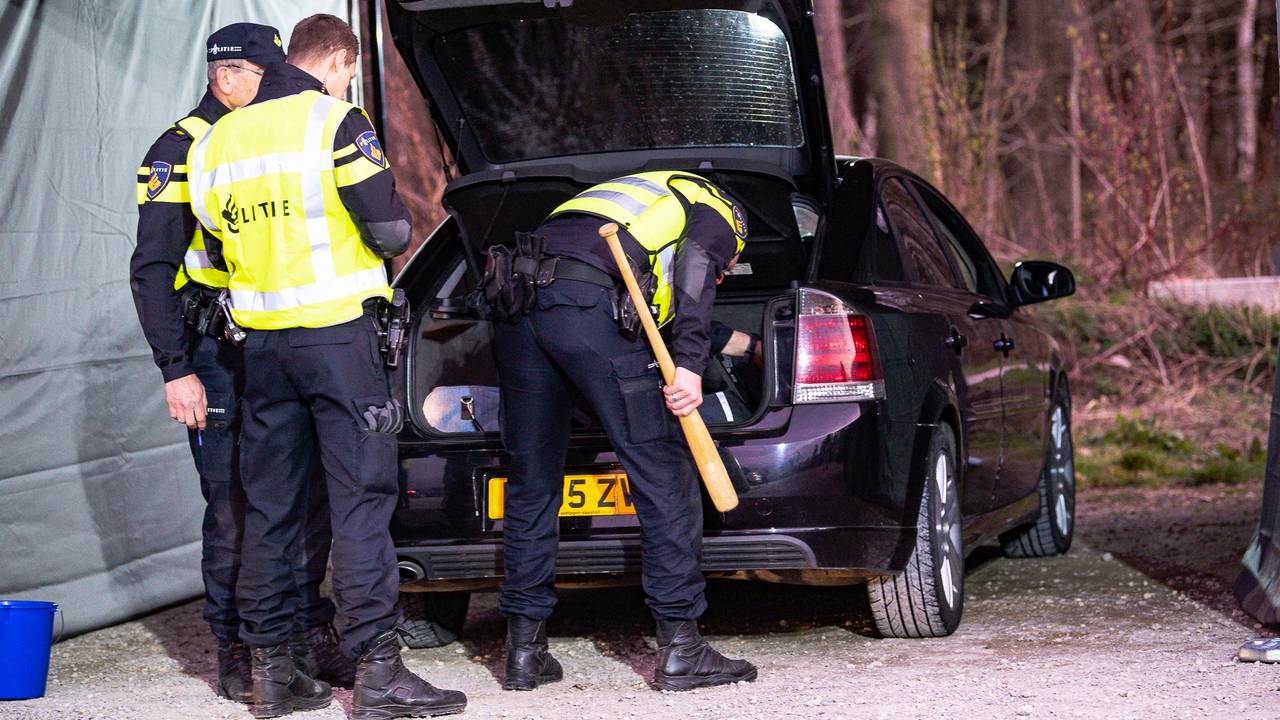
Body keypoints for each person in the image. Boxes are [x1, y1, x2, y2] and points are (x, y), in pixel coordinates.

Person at [186, 14, 466, 719]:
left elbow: (214, 240)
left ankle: (273, 676)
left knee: (272, 509)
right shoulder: (335, 121)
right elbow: (393, 229)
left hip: (260, 348)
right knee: (361, 504)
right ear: (338, 59)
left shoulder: (217, 139)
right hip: (337, 339)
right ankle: (377, 674)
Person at [128, 22, 351, 704]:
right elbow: (152, 269)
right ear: (228, 76)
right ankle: (236, 648)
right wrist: (176, 368)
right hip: (213, 356)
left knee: (303, 498)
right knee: (234, 503)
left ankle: (302, 636)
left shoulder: (269, 133)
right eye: (265, 74)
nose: (279, 87)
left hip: (276, 343)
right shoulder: (180, 149)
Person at [492, 171, 759, 692]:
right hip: (585, 306)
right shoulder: (721, 210)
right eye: (734, 267)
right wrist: (687, 368)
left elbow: (650, 310)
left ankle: (524, 653)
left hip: (519, 307)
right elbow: (699, 267)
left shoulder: (623, 204)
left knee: (531, 480)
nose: (726, 277)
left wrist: (749, 347)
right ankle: (682, 650)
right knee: (662, 472)